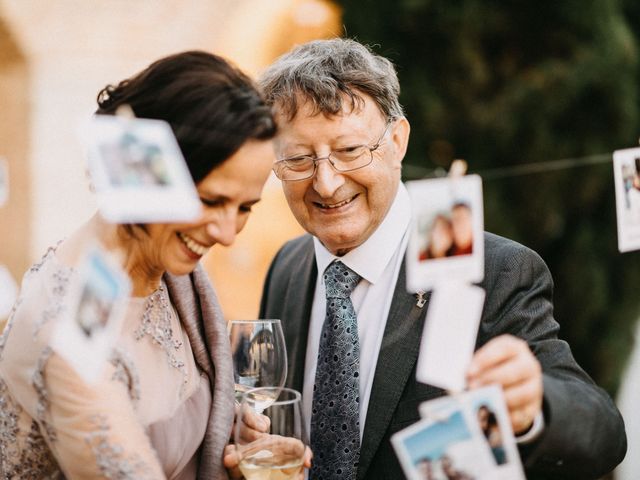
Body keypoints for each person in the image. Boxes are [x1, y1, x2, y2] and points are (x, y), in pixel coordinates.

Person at [256, 38, 626, 479]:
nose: (327, 183)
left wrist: (534, 407)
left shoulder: (495, 271)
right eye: (298, 159)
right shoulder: (287, 266)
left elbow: (604, 434)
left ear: (397, 141)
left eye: (349, 151)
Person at [0, 51, 277, 479]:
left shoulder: (167, 272)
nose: (227, 234)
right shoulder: (66, 333)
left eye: (245, 208)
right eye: (210, 200)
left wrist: (230, 443)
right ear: (146, 171)